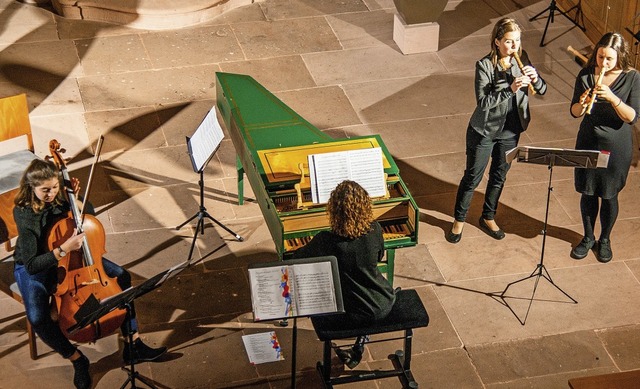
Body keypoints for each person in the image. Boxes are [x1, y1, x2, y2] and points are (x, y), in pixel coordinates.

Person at [13, 159, 167, 389]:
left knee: (122, 277)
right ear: (31, 187)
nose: (52, 193)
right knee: (38, 317)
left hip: (71, 255)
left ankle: (133, 344)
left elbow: (89, 218)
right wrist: (64, 248)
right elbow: (33, 264)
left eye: (54, 187)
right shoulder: (25, 214)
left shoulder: (60, 196)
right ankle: (76, 359)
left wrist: (75, 199)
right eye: (45, 190)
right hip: (38, 262)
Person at [446, 17, 547, 243]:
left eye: (517, 41)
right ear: (497, 42)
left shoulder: (523, 58)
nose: (515, 47)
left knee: (499, 176)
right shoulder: (484, 65)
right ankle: (458, 220)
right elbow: (483, 102)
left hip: (511, 131)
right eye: (510, 42)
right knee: (473, 177)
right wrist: (510, 89)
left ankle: (488, 216)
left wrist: (536, 78)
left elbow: (541, 89)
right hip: (484, 130)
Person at [293, 180, 395, 369]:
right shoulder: (375, 229)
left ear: (334, 212)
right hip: (384, 301)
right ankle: (358, 346)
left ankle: (339, 347)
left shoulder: (327, 241)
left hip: (352, 314)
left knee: (315, 298)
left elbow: (298, 258)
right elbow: (379, 256)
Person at [569, 32, 640, 263]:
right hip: (589, 140)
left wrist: (612, 98)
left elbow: (632, 117)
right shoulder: (586, 74)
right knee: (588, 191)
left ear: (621, 57)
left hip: (616, 145)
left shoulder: (632, 78)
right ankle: (588, 237)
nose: (604, 63)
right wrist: (582, 102)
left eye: (610, 59)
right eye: (600, 57)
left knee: (609, 195)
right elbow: (574, 112)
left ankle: (605, 239)